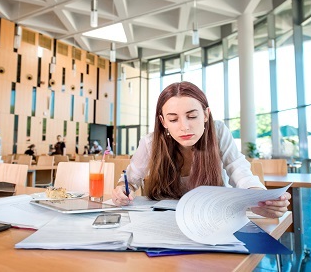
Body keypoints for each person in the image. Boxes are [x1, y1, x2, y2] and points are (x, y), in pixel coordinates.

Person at [111, 81, 291, 219]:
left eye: (192, 116)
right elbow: (130, 180)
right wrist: (122, 191)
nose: (185, 127)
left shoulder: (218, 131)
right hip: (166, 222)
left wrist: (259, 200)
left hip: (213, 219)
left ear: (206, 114)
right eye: (173, 120)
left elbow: (239, 171)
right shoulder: (151, 143)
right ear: (163, 121)